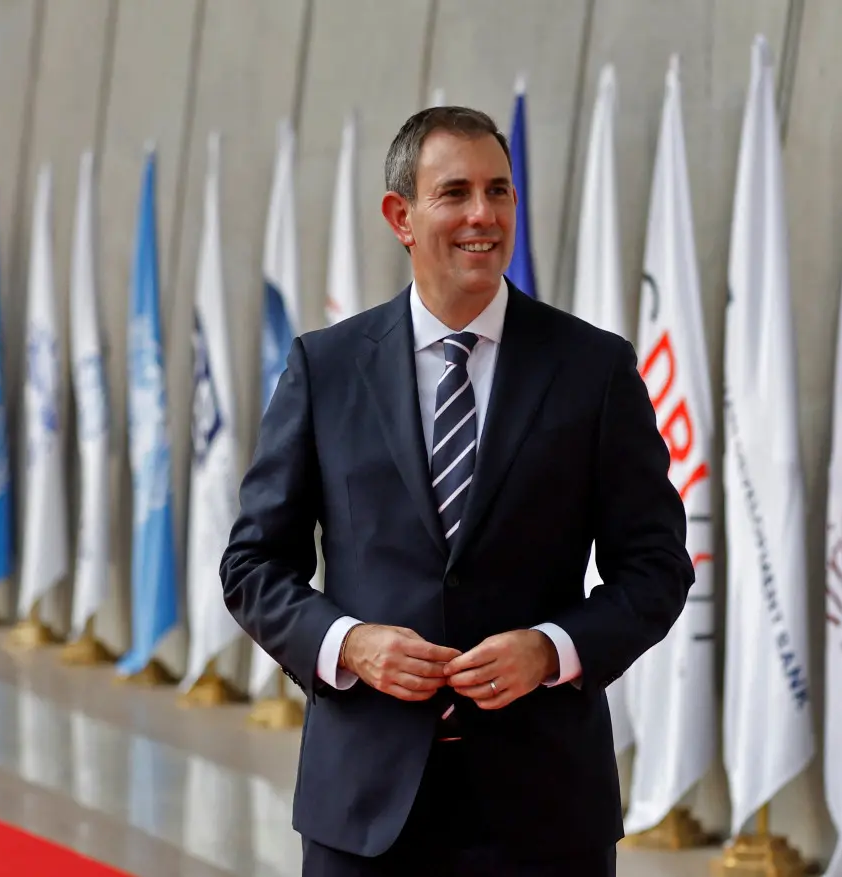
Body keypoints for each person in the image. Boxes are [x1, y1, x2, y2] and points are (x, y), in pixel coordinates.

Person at [220, 105, 694, 877]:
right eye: (456, 193)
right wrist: (349, 644)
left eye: (500, 192)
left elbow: (657, 568)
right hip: (364, 811)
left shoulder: (594, 369)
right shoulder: (326, 368)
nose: (484, 215)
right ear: (400, 216)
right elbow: (252, 566)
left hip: (546, 811)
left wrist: (552, 649)